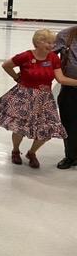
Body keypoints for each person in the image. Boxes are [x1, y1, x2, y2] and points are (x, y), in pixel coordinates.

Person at [0, 29, 77, 168]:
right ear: (37, 42)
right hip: (24, 97)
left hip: (44, 99)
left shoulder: (53, 58)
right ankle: (15, 150)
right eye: (47, 42)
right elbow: (6, 65)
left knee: (47, 129)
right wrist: (16, 77)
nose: (51, 46)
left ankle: (32, 153)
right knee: (19, 128)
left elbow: (61, 79)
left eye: (52, 43)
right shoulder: (26, 56)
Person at [55, 25, 77, 169]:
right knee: (69, 124)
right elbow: (47, 57)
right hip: (70, 89)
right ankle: (71, 156)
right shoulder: (65, 35)